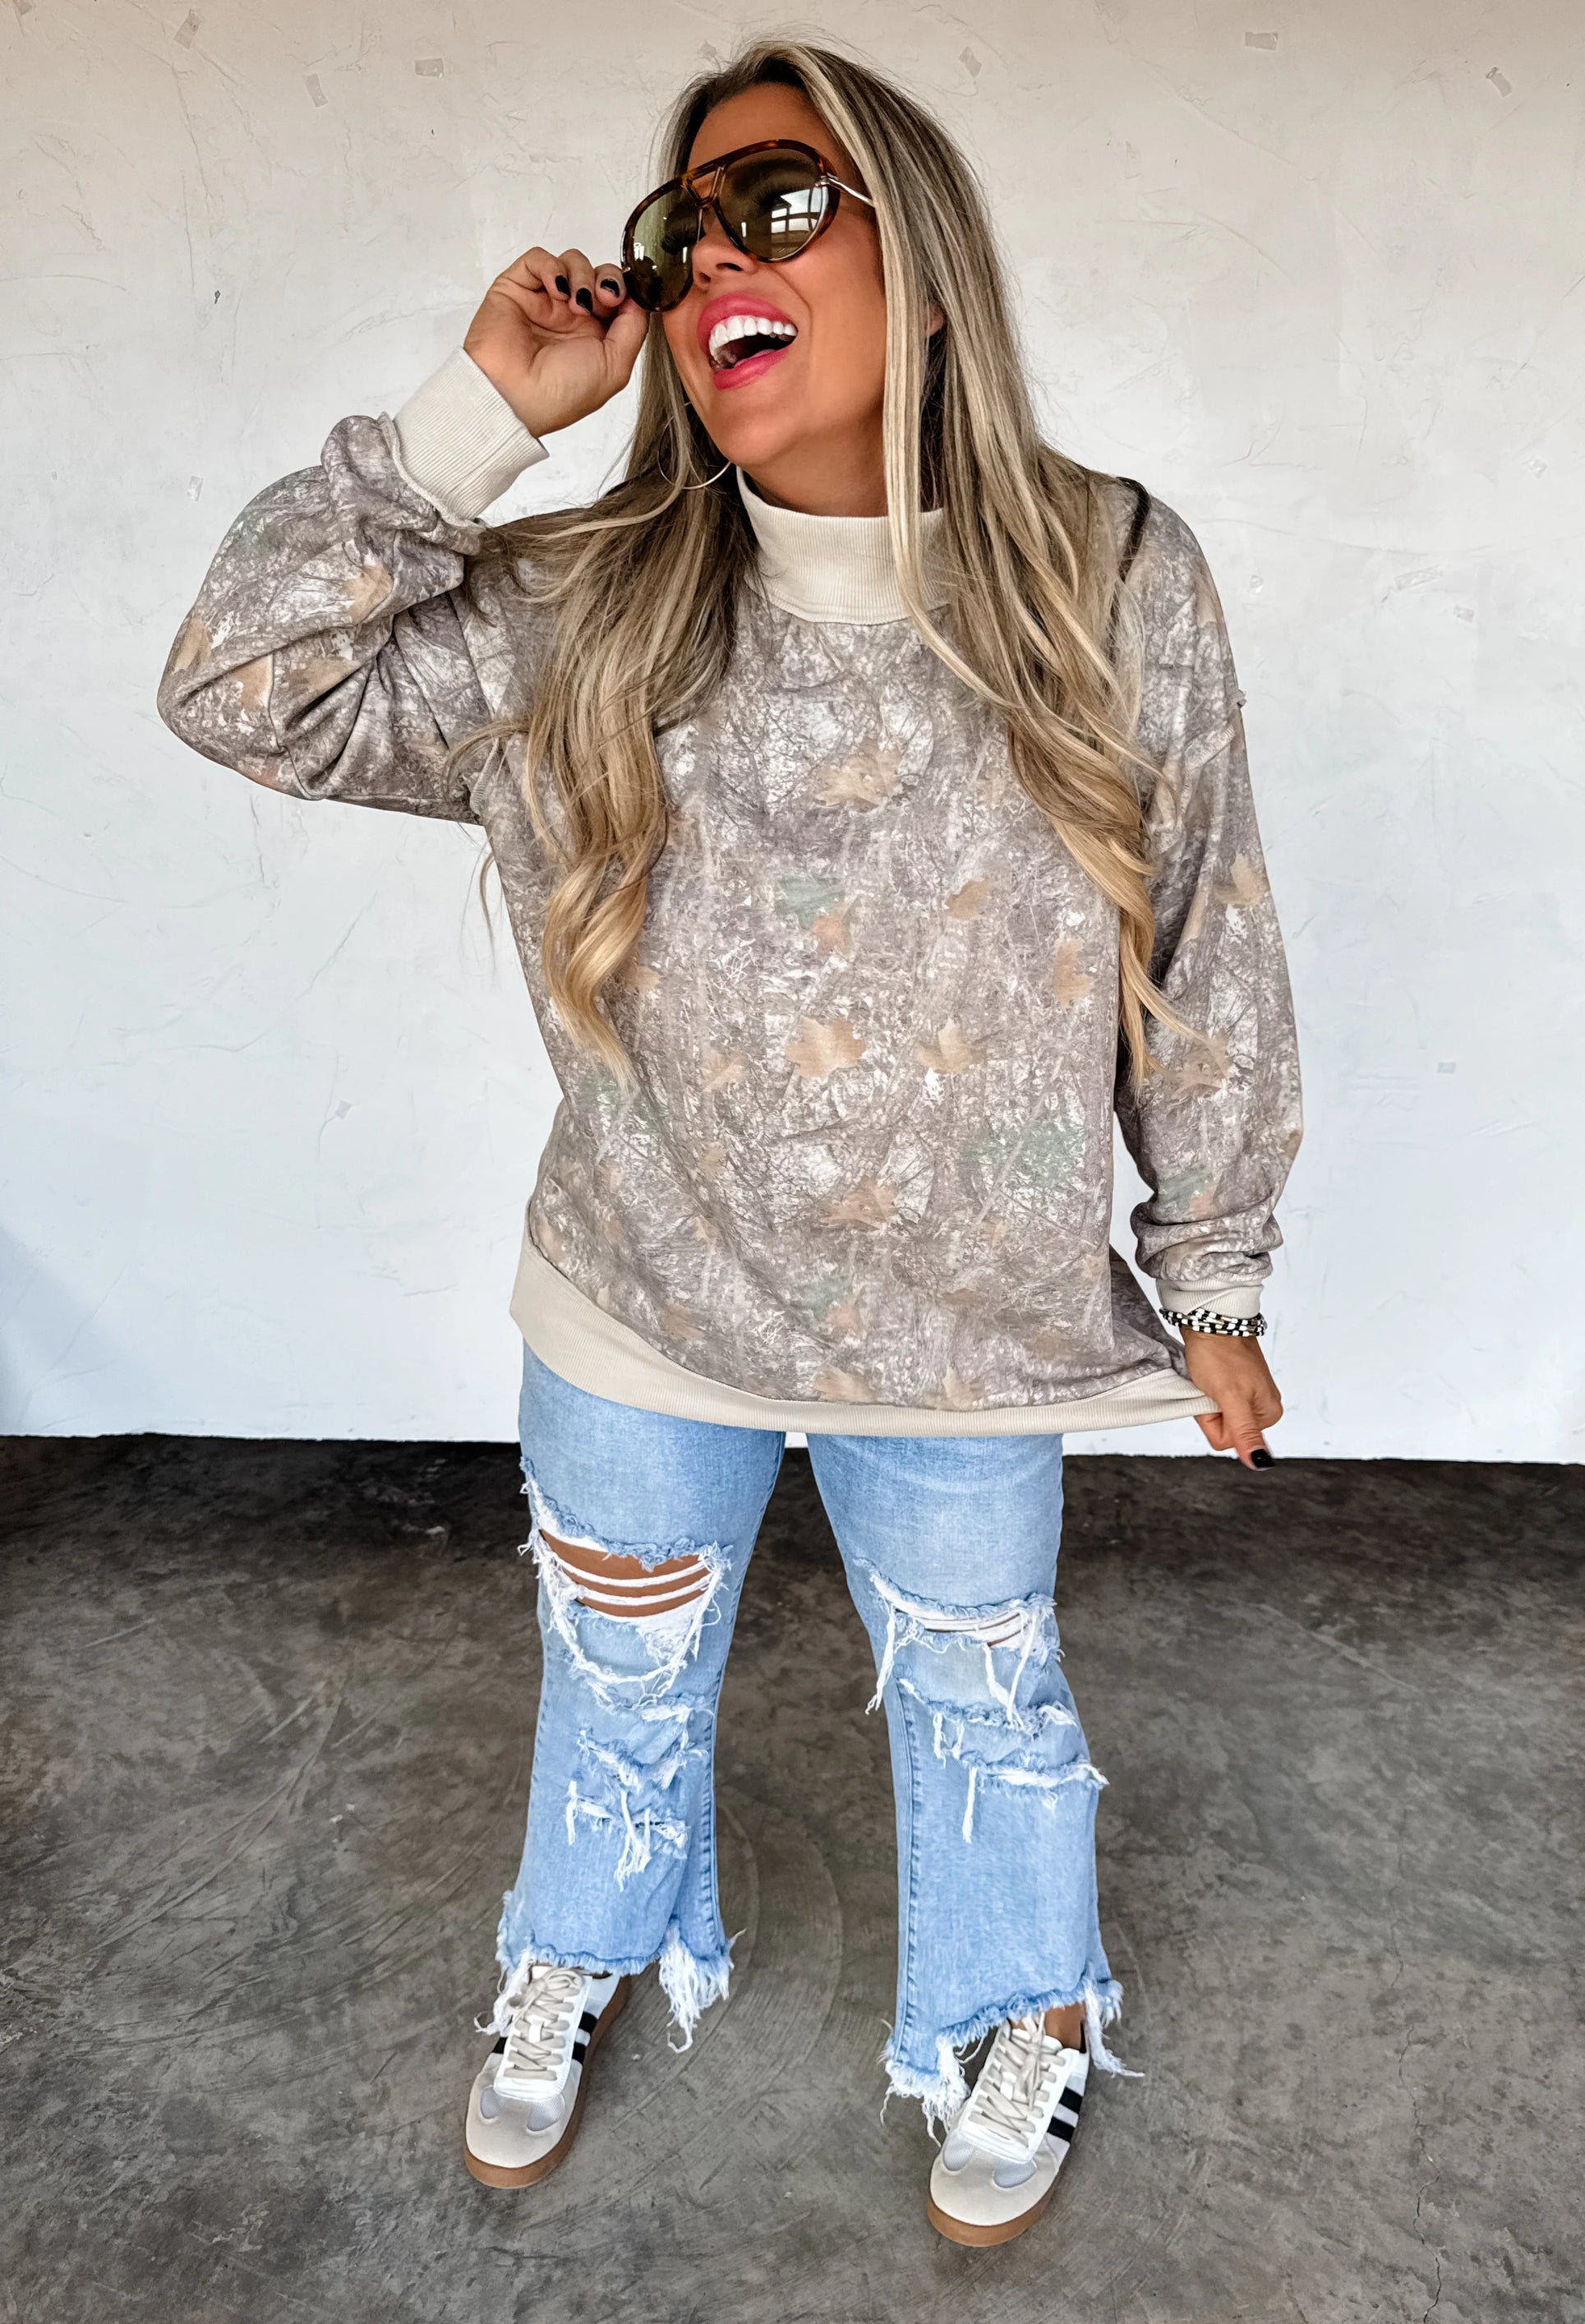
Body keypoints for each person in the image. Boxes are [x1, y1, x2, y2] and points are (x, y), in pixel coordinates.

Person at [158, 35, 1301, 2249]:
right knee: (616, 1663)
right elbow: (239, 686)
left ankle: (1026, 2002)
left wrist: (1218, 1272)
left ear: (919, 258)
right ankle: (577, 1942)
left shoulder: (1108, 573)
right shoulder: (586, 603)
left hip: (965, 1329)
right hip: (637, 1293)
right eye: (679, 234)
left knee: (982, 1688)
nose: (710, 266)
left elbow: (1202, 933)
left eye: (777, 204)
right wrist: (476, 418)